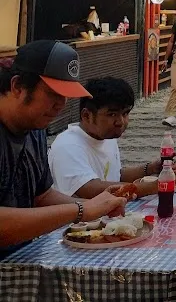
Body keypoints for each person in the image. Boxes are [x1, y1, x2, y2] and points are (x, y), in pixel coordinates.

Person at [0, 41, 128, 258]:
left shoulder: (36, 128)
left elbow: (41, 196)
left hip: (22, 257)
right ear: (18, 86)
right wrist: (81, 210)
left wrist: (97, 205)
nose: (61, 104)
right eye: (53, 94)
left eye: (66, 95)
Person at [50, 77, 176, 198]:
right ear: (86, 115)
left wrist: (151, 168)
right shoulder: (68, 146)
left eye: (125, 113)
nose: (120, 122)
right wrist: (156, 185)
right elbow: (90, 189)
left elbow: (115, 176)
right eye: (112, 114)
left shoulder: (106, 137)